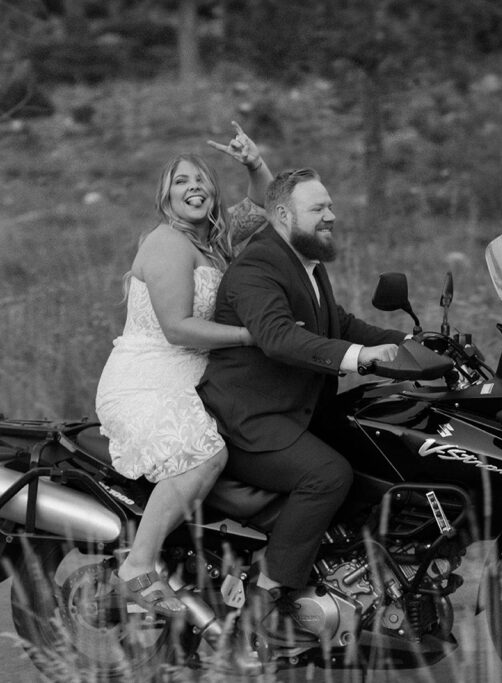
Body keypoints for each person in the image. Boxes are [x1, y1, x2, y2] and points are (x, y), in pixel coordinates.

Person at [196, 168, 405, 624]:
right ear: (284, 215)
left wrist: (413, 342)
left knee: (378, 447)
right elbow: (277, 336)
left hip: (294, 408)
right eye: (319, 209)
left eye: (330, 206)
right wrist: (360, 357)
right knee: (328, 474)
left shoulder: (306, 263)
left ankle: (345, 573)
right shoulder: (257, 266)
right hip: (248, 417)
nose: (332, 215)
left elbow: (339, 324)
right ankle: (266, 594)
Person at [95, 122, 274, 616]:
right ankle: (138, 565)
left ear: (212, 194)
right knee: (204, 456)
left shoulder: (212, 241)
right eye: (181, 181)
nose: (193, 186)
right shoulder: (167, 244)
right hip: (148, 378)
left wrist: (253, 164)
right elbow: (177, 328)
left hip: (191, 376)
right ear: (166, 197)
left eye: (201, 180)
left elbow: (264, 206)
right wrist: (249, 337)